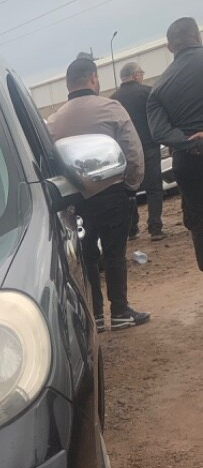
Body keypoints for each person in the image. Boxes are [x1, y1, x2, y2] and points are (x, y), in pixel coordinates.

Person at [47, 56, 148, 331]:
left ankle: (96, 315)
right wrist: (132, 184)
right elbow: (133, 151)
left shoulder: (55, 121)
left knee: (87, 256)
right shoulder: (111, 108)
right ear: (93, 78)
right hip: (113, 193)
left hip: (76, 200)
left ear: (68, 84)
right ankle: (120, 310)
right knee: (115, 254)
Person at [147, 17, 203, 270]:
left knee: (199, 221)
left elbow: (159, 132)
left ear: (170, 47)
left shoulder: (158, 88)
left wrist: (186, 141)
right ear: (198, 36)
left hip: (189, 161)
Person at [112, 61, 165, 241]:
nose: (142, 75)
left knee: (129, 189)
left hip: (125, 152)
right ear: (135, 75)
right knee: (154, 188)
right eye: (141, 72)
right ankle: (155, 228)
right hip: (149, 146)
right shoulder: (148, 93)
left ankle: (132, 228)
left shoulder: (112, 100)